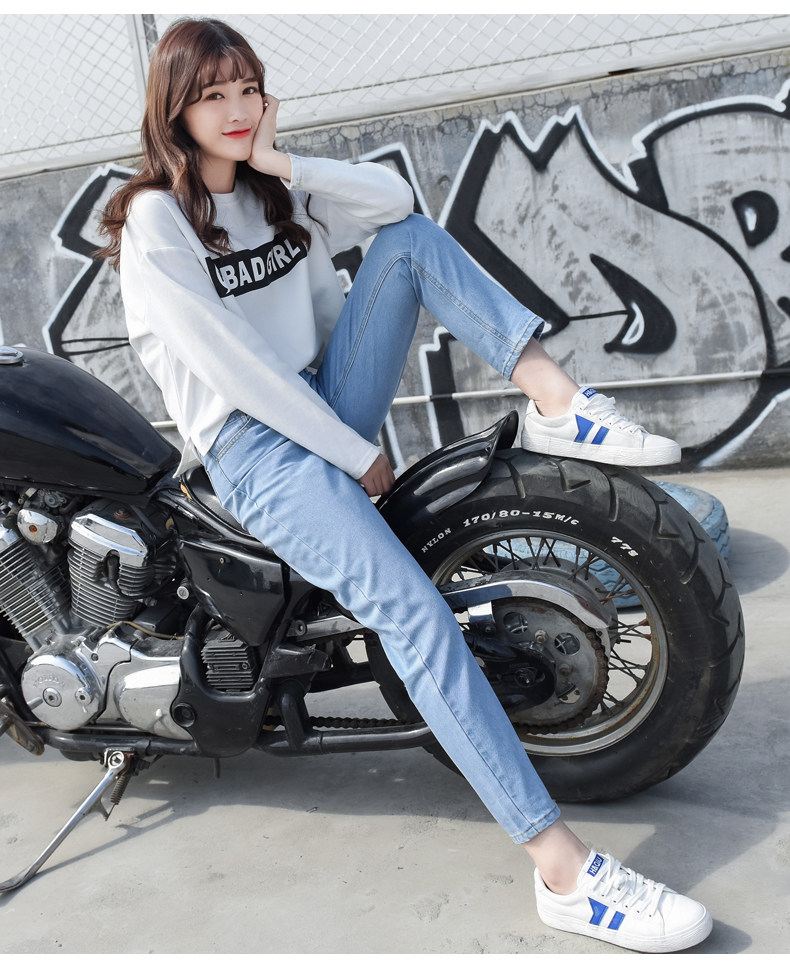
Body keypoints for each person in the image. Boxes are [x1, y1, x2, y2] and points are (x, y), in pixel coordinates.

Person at [98, 17, 709, 953]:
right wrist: (349, 452)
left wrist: (281, 162)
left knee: (413, 242)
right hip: (259, 448)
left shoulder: (269, 189)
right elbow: (231, 369)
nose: (235, 108)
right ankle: (566, 873)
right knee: (415, 617)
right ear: (173, 108)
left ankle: (557, 399)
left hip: (322, 397)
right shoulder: (156, 220)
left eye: (247, 88)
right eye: (212, 94)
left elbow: (396, 203)